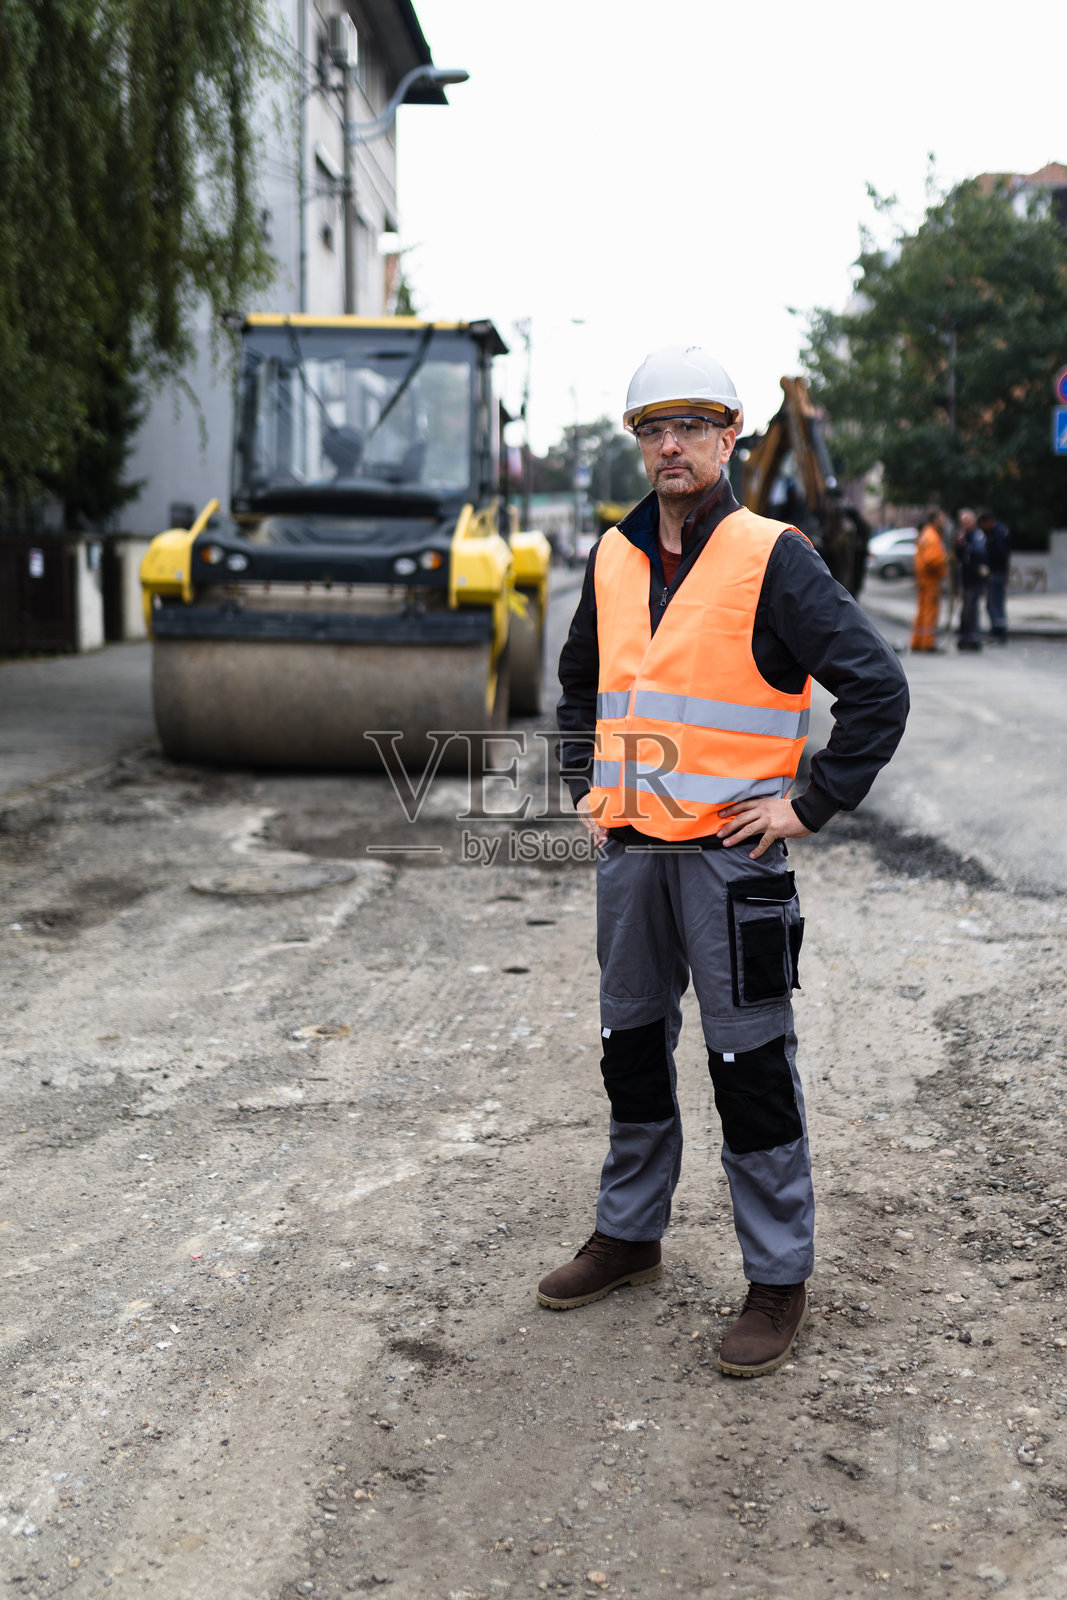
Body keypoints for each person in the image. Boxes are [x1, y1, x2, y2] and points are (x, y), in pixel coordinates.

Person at [548, 345, 910, 1378]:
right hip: (631, 859)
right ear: (638, 445)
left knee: (748, 1066)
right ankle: (628, 1234)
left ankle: (776, 1274)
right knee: (629, 1049)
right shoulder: (612, 557)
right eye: (651, 430)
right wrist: (584, 783)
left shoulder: (770, 554)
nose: (669, 445)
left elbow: (875, 688)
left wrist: (808, 803)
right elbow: (580, 683)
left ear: (727, 436)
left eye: (689, 428)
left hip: (728, 862)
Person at [910, 508, 948, 652]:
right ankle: (927, 643)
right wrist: (946, 559)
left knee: (922, 611)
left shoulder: (926, 533)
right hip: (930, 579)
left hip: (923, 579)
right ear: (935, 519)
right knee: (929, 612)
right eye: (942, 517)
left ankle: (918, 641)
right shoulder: (932, 536)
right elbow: (933, 559)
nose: (944, 520)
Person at [955, 509, 988, 652]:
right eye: (963, 523)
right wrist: (959, 545)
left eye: (967, 522)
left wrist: (965, 546)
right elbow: (960, 556)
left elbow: (978, 554)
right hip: (965, 578)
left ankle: (972, 637)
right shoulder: (964, 536)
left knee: (971, 608)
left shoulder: (977, 536)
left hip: (974, 579)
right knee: (966, 609)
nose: (965, 525)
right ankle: (965, 636)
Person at [977, 507, 1010, 643]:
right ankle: (996, 631)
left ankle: (1000, 633)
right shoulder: (995, 532)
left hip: (996, 573)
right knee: (992, 605)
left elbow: (1001, 555)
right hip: (994, 573)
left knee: (996, 604)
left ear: (989, 521)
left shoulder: (998, 533)